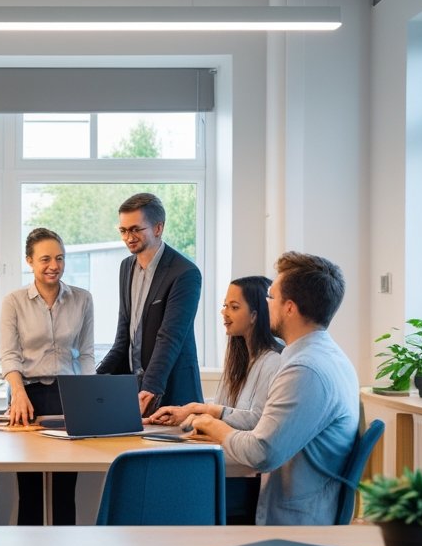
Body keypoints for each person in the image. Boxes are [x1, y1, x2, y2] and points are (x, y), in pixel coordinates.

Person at [169, 252, 358, 526]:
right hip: (299, 507)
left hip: (294, 525)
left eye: (271, 298)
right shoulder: (326, 356)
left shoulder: (305, 370)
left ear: (289, 308)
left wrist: (213, 425)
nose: (266, 304)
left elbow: (261, 453)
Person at [144, 275, 284, 523]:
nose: (224, 312)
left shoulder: (272, 362)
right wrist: (186, 413)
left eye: (234, 307)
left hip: (242, 479)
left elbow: (256, 421)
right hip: (226, 465)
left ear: (255, 314)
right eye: (224, 305)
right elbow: (223, 409)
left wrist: (201, 410)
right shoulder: (240, 358)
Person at [0, 228, 95, 525]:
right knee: (29, 488)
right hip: (27, 395)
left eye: (59, 258)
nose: (53, 265)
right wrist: (17, 394)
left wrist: (89, 397)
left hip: (69, 395)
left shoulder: (82, 299)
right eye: (45, 259)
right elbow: (9, 354)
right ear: (29, 261)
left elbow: (88, 353)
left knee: (65, 487)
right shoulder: (13, 301)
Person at [96, 192, 203, 417]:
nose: (128, 237)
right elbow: (124, 336)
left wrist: (150, 387)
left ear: (157, 228)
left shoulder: (184, 273)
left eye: (136, 229)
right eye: (123, 230)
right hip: (134, 389)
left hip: (172, 390)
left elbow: (170, 337)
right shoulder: (126, 267)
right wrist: (96, 381)